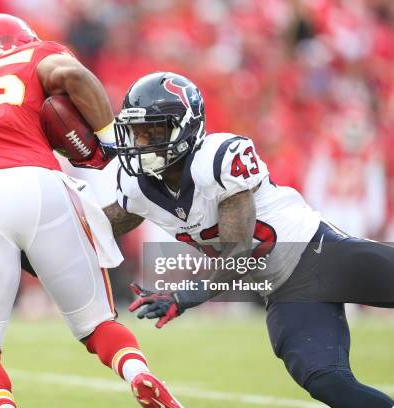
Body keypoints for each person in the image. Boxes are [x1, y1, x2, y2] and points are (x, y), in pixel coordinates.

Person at [0, 14, 181, 408]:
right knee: (98, 323)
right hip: (42, 184)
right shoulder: (34, 55)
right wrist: (107, 138)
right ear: (23, 39)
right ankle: (139, 373)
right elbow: (73, 77)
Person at [104, 71, 394, 408]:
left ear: (185, 127)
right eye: (138, 131)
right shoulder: (138, 187)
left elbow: (239, 251)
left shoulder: (216, 160)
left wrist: (186, 295)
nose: (142, 141)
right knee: (326, 379)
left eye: (153, 130)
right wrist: (44, 243)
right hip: (286, 292)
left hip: (323, 254)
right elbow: (99, 226)